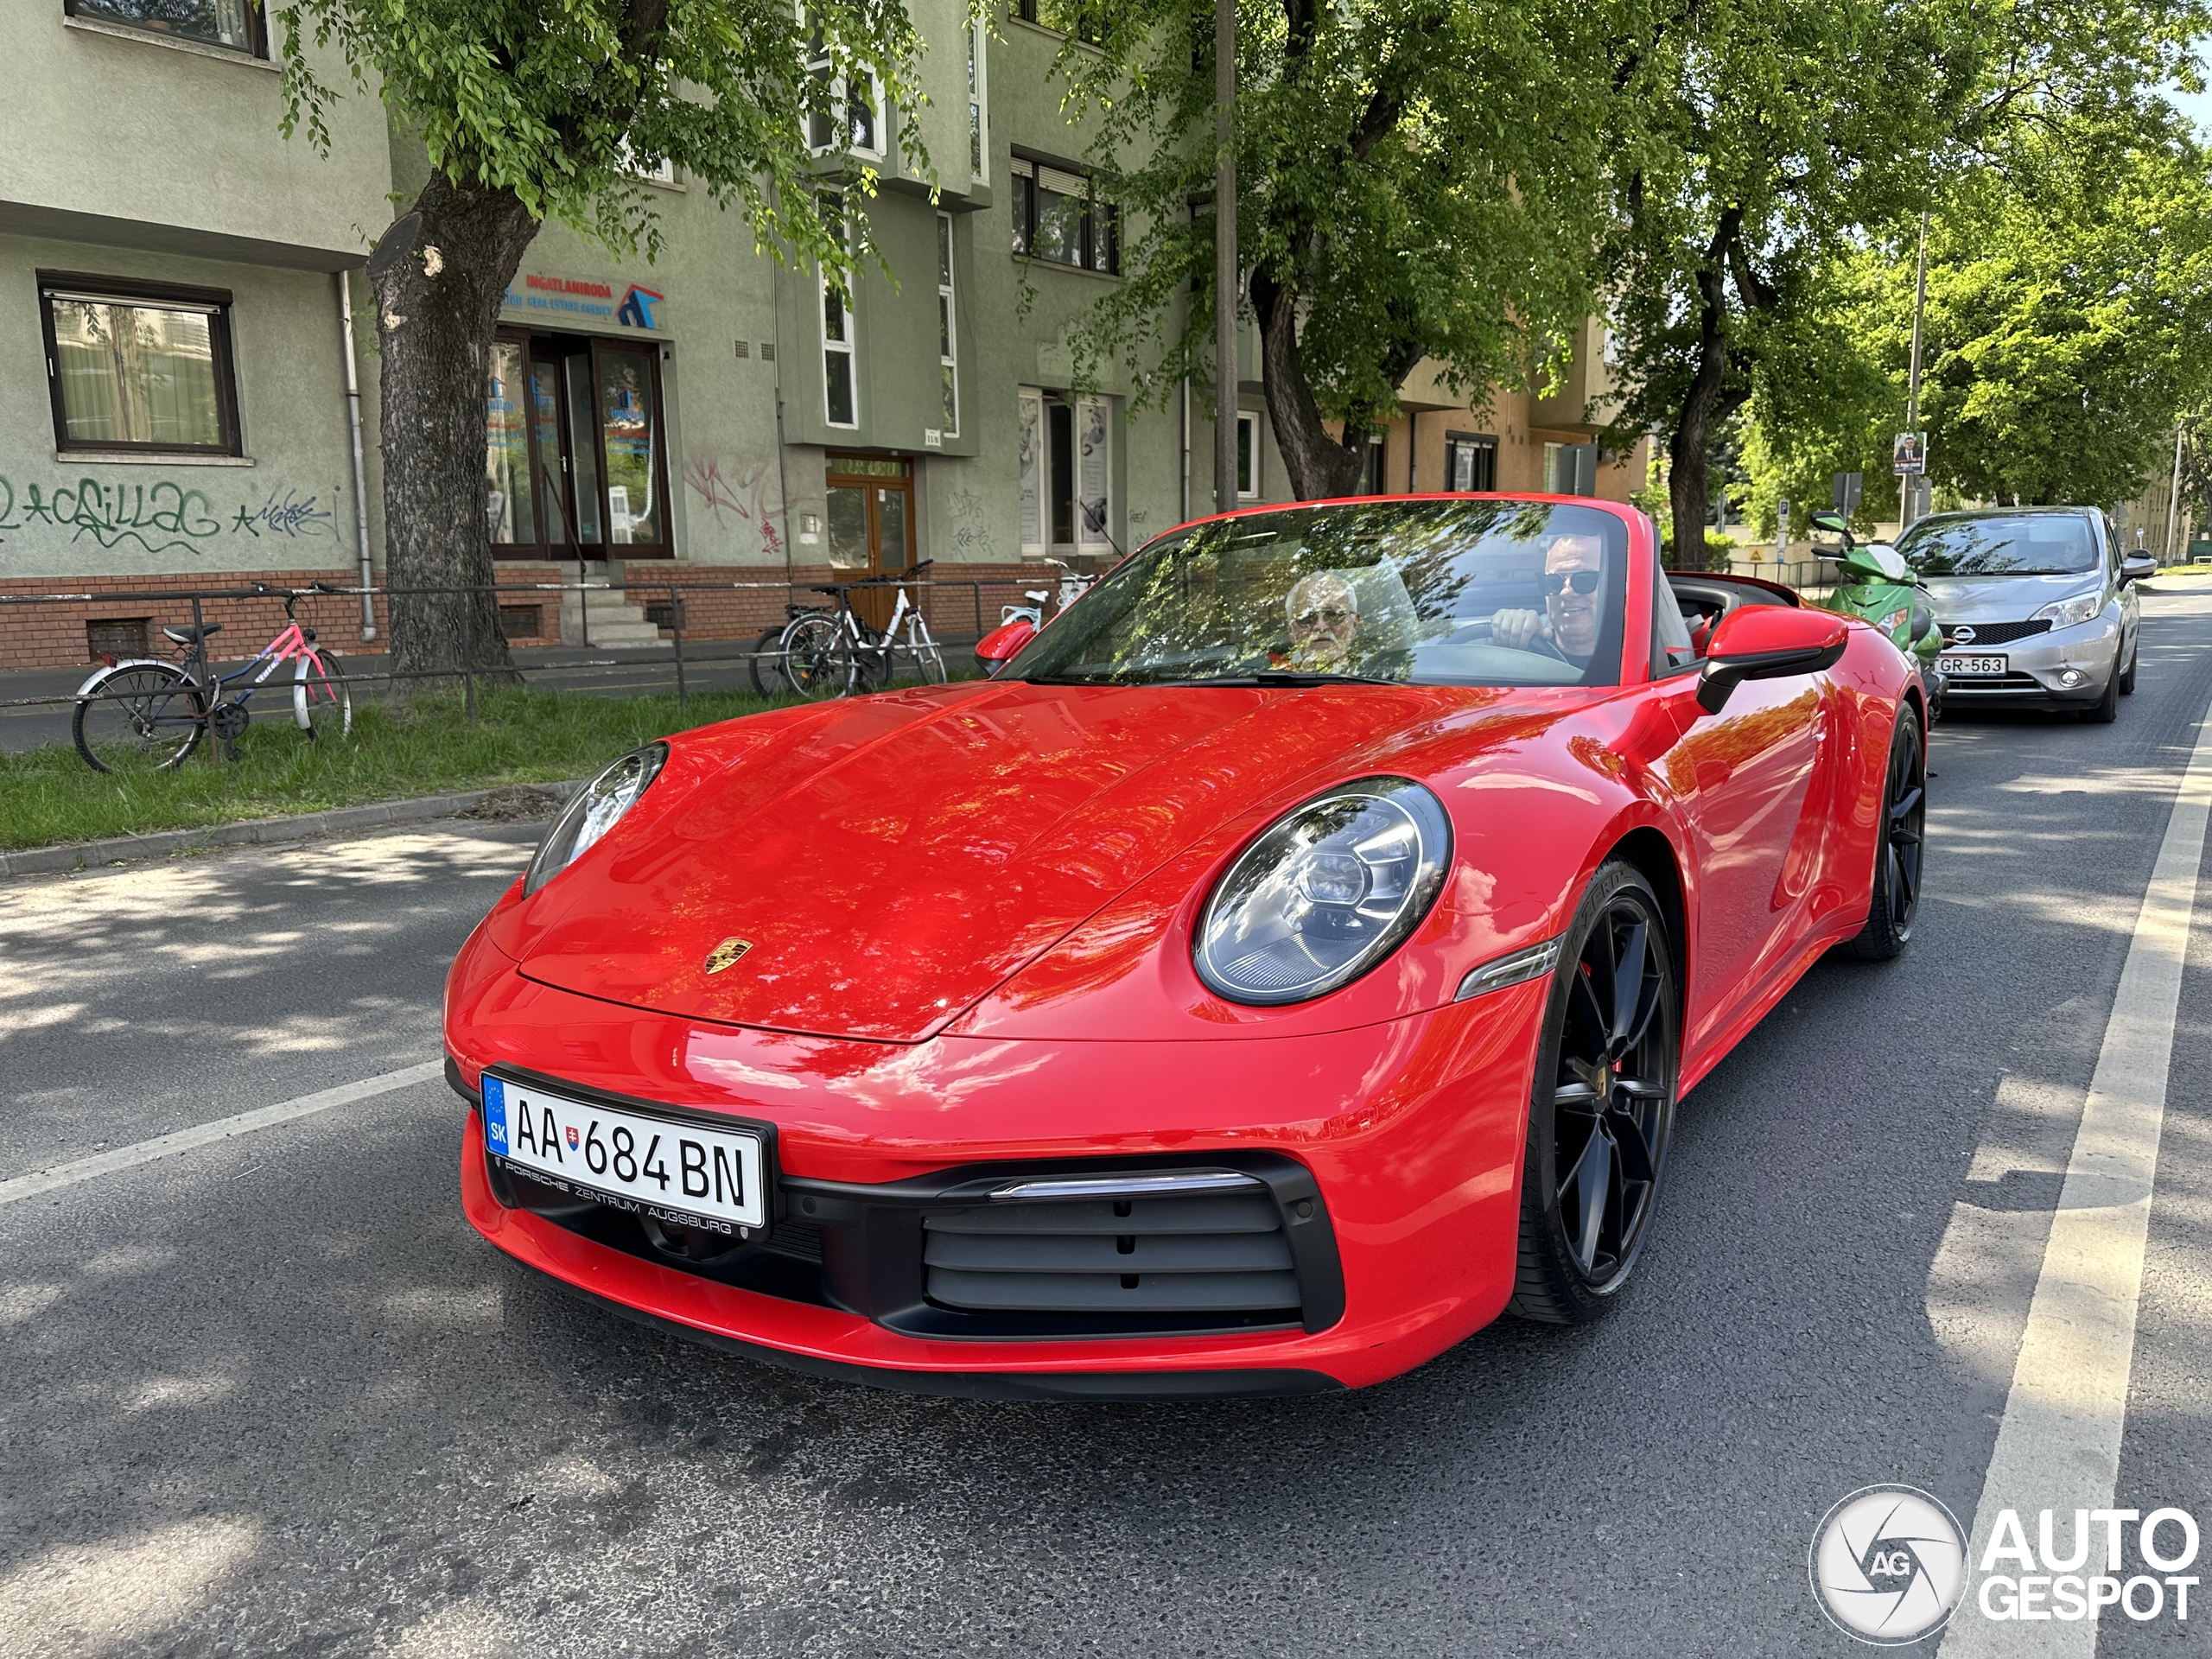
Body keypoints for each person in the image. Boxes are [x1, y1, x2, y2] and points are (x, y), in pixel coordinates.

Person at [1491, 533, 1606, 670]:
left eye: (1584, 580)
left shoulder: (1637, 662)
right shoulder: (1524, 658)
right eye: (1553, 581)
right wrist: (1509, 637)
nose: (1566, 592)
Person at [1281, 571, 1362, 671]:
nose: (1321, 626)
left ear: (1354, 624)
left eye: (1333, 615)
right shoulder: (1270, 682)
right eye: (1307, 617)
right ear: (1291, 630)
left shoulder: (1377, 674)